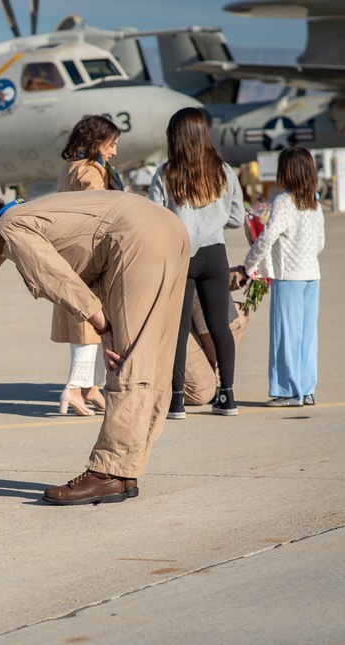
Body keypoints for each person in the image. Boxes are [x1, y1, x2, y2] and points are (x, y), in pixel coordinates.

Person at [0, 191, 189, 505]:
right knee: (149, 360)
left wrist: (104, 328)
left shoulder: (7, 227)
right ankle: (125, 469)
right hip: (169, 228)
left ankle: (107, 474)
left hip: (137, 238)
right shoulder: (30, 213)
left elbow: (55, 278)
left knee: (127, 362)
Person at [148, 107, 244, 419]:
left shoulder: (165, 173)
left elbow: (154, 216)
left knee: (176, 329)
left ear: (174, 137)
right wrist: (211, 222)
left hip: (179, 256)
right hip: (215, 254)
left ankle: (176, 400)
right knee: (219, 326)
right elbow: (237, 218)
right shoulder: (224, 171)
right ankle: (227, 396)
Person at [244, 147, 325, 407]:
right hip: (312, 274)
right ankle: (307, 388)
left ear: (285, 172)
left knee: (285, 333)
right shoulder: (314, 202)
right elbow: (320, 241)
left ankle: (288, 391)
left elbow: (268, 236)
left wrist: (251, 262)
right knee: (306, 334)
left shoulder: (284, 201)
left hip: (289, 276)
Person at [52, 115, 122, 415]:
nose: (114, 152)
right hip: (88, 257)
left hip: (68, 253)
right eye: (112, 144)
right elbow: (100, 207)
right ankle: (73, 388)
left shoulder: (69, 168)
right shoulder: (90, 172)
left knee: (82, 323)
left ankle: (90, 388)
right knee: (91, 323)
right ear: (97, 143)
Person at [183, 267, 252, 406]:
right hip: (173, 322)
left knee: (242, 315)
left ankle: (209, 373)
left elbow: (211, 276)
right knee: (201, 393)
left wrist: (243, 273)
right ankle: (163, 386)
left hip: (194, 311)